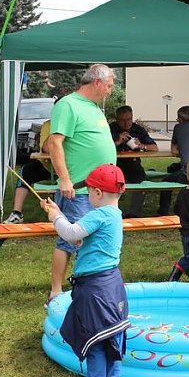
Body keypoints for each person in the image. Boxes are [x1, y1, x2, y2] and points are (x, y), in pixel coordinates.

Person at [41, 164, 129, 377]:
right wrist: (59, 211)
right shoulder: (114, 215)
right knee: (111, 335)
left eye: (89, 191)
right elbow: (82, 238)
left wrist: (55, 217)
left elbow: (69, 234)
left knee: (96, 340)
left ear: (98, 193)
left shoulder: (98, 214)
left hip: (95, 288)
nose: (87, 196)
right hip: (112, 284)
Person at [47, 64, 118, 305]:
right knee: (68, 241)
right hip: (77, 189)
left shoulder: (95, 109)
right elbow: (55, 143)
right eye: (109, 86)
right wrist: (65, 179)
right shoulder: (68, 105)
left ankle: (88, 287)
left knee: (94, 240)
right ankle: (55, 293)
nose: (110, 91)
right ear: (97, 82)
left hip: (100, 192)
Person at [157, 105, 189, 216]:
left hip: (188, 172)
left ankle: (163, 213)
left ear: (180, 119)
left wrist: (184, 150)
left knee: (165, 181)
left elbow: (173, 150)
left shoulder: (178, 128)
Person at [110, 105, 159, 218]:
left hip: (133, 162)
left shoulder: (137, 129)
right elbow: (101, 147)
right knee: (109, 182)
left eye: (129, 119)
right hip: (114, 164)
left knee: (142, 181)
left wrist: (142, 146)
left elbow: (154, 148)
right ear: (117, 120)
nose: (127, 123)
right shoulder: (111, 129)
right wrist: (117, 141)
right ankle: (112, 211)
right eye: (123, 120)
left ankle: (133, 212)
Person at [4, 119, 53, 224]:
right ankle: (17, 213)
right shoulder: (48, 125)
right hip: (49, 166)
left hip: (72, 167)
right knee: (25, 171)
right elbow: (47, 148)